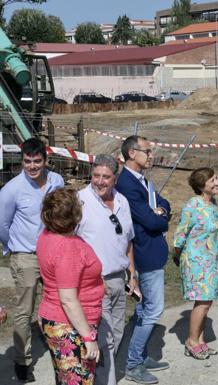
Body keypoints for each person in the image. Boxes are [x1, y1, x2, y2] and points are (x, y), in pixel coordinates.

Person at [0, 137, 64, 382]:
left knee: (59, 304)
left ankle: (61, 349)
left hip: (53, 253)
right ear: (22, 161)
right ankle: (22, 360)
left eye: (37, 161)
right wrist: (14, 248)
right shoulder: (11, 190)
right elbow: (2, 225)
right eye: (28, 161)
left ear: (46, 160)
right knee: (24, 311)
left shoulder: (57, 181)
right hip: (26, 256)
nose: (33, 166)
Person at [77, 154, 139, 385]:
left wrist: (132, 274)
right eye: (96, 176)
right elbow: (71, 245)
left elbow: (127, 241)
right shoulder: (80, 201)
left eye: (106, 177)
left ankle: (96, 377)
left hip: (118, 280)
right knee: (105, 340)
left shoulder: (122, 201)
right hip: (94, 283)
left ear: (116, 179)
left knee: (117, 334)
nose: (100, 181)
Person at [116, 135, 171, 384]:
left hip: (152, 250)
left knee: (143, 309)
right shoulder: (127, 183)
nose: (151, 155)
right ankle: (134, 364)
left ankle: (142, 355)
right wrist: (159, 216)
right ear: (131, 153)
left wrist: (161, 212)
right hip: (144, 253)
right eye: (147, 151)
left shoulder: (141, 180)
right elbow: (149, 221)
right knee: (153, 310)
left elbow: (164, 204)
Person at [37, 188, 105, 385]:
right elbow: (67, 299)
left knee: (66, 378)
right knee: (79, 380)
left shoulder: (47, 235)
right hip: (70, 324)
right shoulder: (68, 248)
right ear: (74, 215)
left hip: (54, 318)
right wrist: (88, 336)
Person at [173, 167, 218, 360]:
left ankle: (201, 341)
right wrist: (179, 255)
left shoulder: (212, 203)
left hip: (212, 261)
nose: (217, 183)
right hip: (196, 262)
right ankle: (191, 342)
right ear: (202, 186)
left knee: (206, 302)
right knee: (202, 302)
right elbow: (180, 234)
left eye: (216, 179)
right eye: (212, 181)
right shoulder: (193, 205)